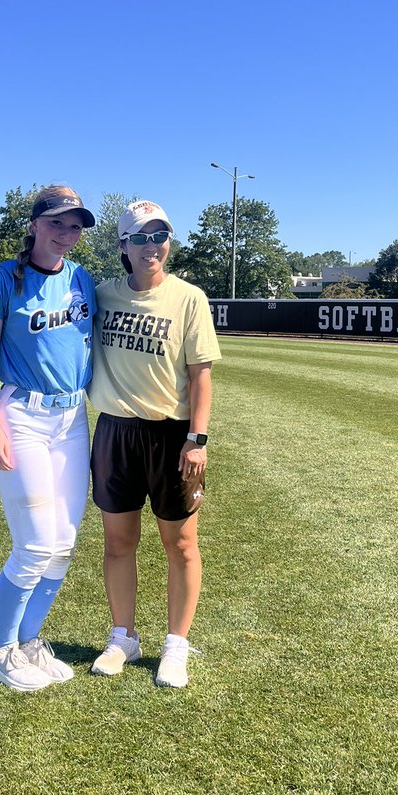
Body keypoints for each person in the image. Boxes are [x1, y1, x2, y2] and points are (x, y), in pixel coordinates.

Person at [88, 199, 221, 688]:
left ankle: (176, 645)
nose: (152, 246)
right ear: (123, 245)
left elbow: (200, 375)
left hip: (172, 436)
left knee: (181, 543)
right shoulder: (101, 295)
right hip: (115, 432)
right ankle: (123, 637)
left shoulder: (189, 298)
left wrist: (197, 439)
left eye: (159, 234)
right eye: (140, 237)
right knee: (119, 542)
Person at [0, 186, 96, 692]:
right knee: (36, 543)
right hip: (23, 414)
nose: (66, 234)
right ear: (34, 225)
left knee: (63, 544)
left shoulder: (81, 278)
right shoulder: (3, 279)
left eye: (75, 226)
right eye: (57, 223)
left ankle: (28, 642)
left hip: (73, 419)